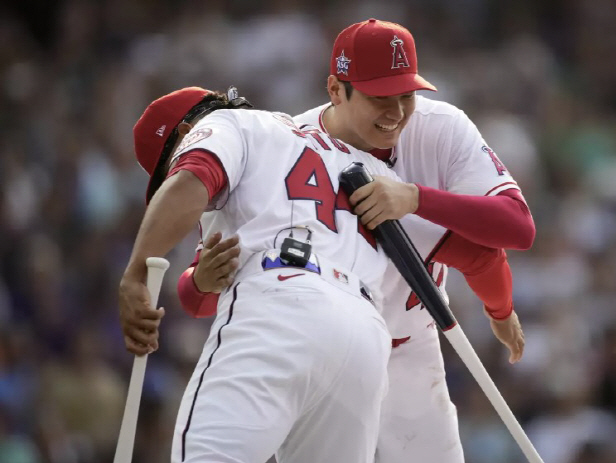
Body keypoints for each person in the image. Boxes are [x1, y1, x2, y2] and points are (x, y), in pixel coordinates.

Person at [178, 19, 535, 463]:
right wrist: (202, 282)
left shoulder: (439, 127)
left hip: (409, 343)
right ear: (336, 89)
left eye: (406, 94)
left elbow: (515, 229)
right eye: (379, 97)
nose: (397, 112)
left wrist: (416, 199)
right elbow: (201, 296)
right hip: (318, 329)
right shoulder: (284, 142)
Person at [118, 86, 413, 463]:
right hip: (365, 337)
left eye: (166, 168)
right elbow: (198, 296)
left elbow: (191, 178)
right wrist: (202, 280)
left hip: (281, 306)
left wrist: (135, 274)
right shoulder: (361, 160)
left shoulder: (226, 124)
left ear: (186, 132)